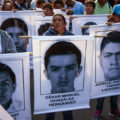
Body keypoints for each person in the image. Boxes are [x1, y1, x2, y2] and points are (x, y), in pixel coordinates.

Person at [43, 14, 75, 120]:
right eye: (54, 20)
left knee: (67, 111)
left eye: (59, 20)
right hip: (53, 79)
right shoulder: (45, 37)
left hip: (67, 78)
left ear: (65, 23)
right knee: (50, 111)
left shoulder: (73, 36)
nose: (57, 22)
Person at [93, 31, 120, 120]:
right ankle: (98, 111)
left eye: (119, 55)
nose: (114, 62)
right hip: (102, 83)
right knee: (101, 95)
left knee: (115, 93)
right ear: (99, 59)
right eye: (108, 56)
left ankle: (114, 110)